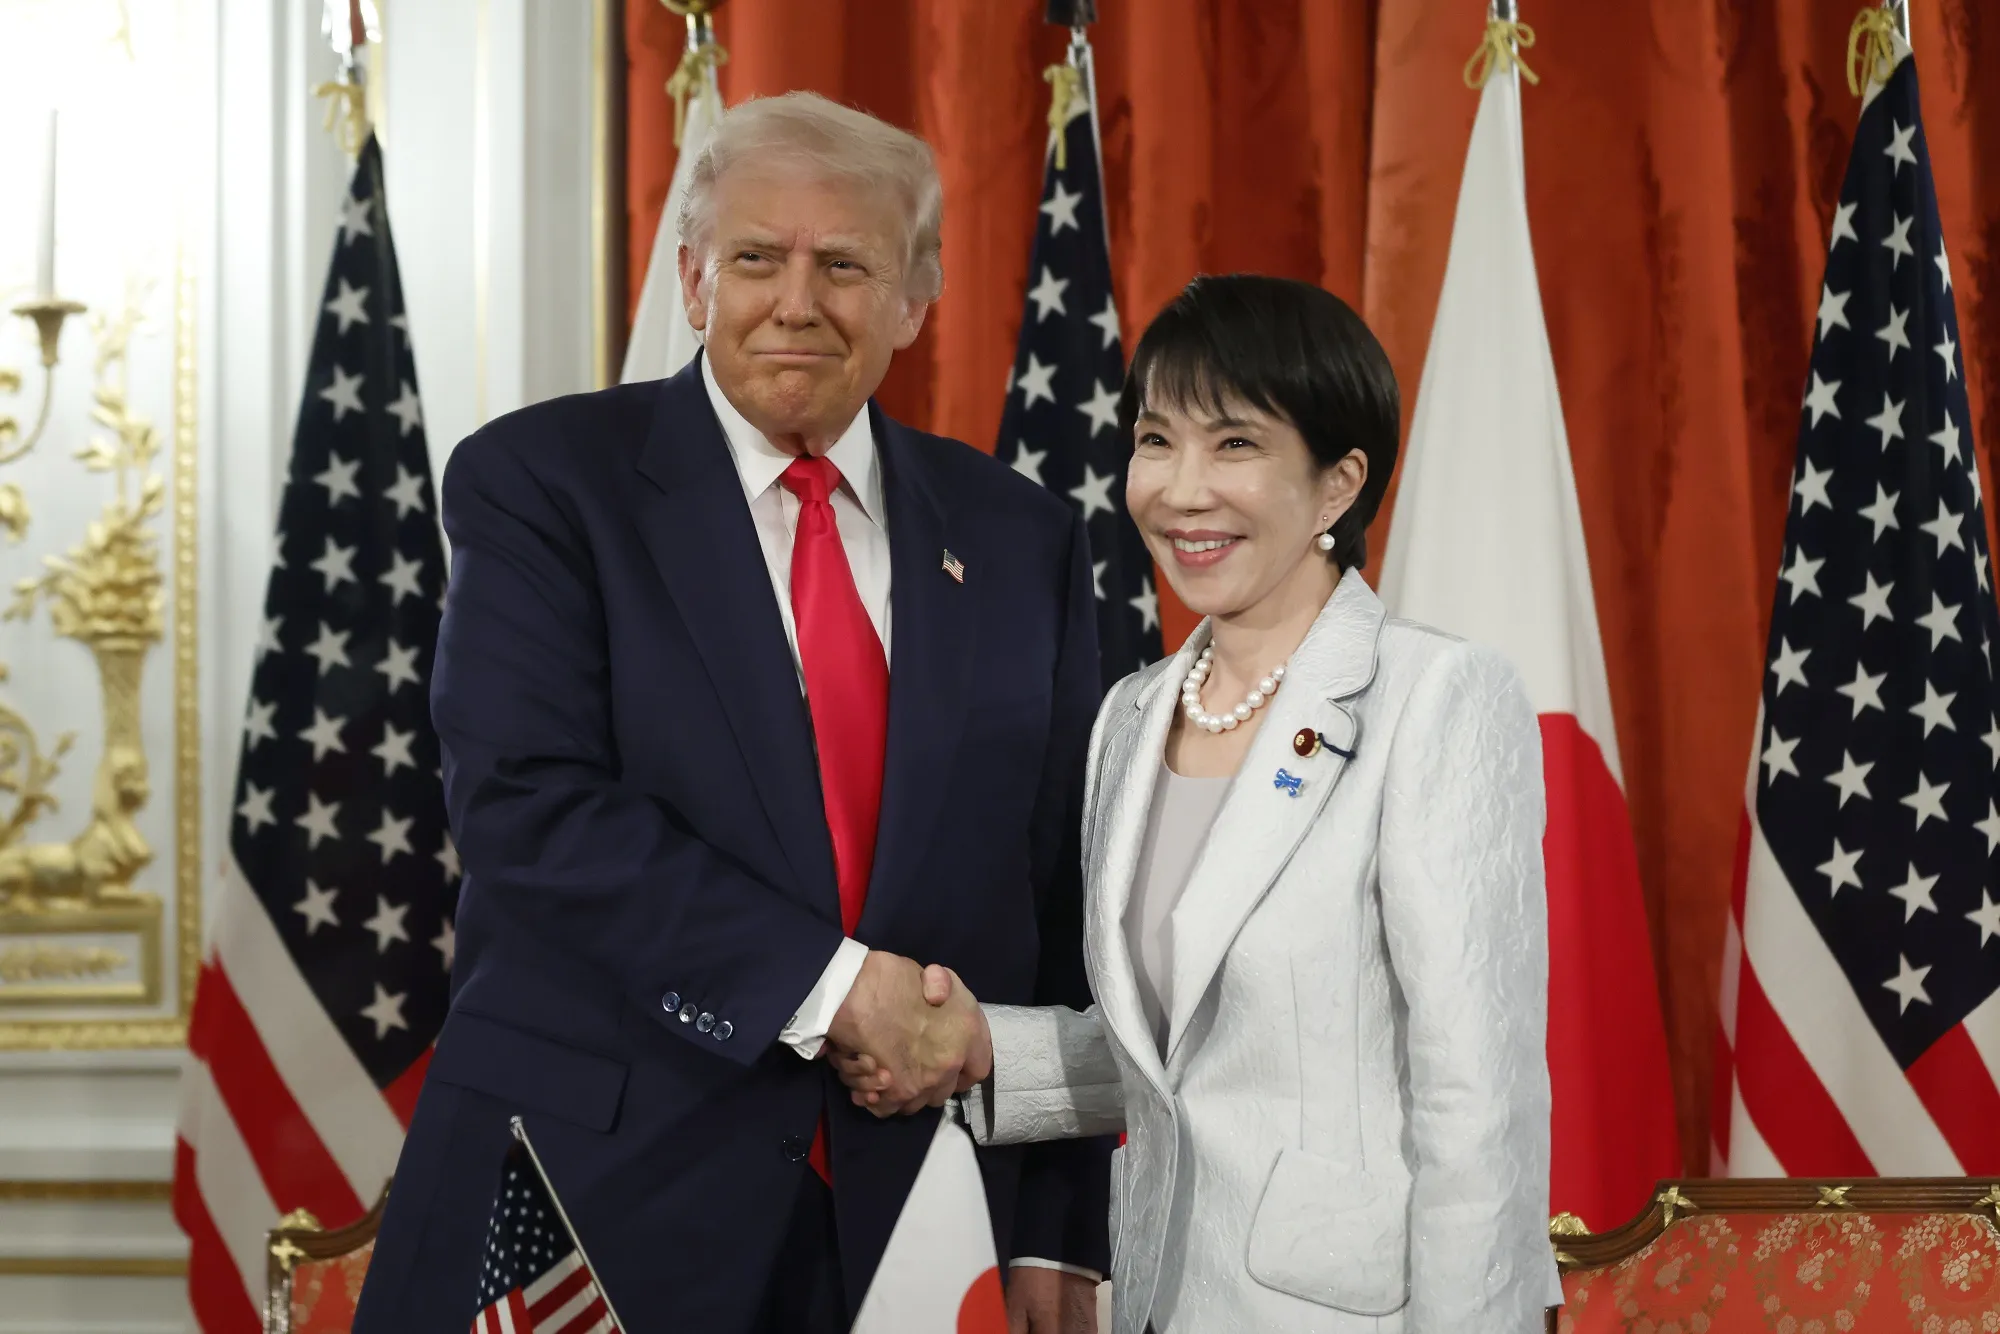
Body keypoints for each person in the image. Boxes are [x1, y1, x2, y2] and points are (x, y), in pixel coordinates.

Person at [355, 92, 1108, 1333]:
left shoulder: (1020, 537)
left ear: (915, 300)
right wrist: (832, 988)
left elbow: (1059, 902)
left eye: (846, 264)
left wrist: (1058, 1233)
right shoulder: (543, 486)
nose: (796, 300)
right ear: (696, 279)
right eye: (757, 258)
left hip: (921, 1217)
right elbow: (528, 810)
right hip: (587, 1204)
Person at [838, 275, 1559, 1332]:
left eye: (1233, 445)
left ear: (1335, 486)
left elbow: (1476, 1099)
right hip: (1162, 1299)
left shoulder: (1434, 697)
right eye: (1155, 439)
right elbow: (1179, 1058)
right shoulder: (1131, 715)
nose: (1178, 489)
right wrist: (978, 1047)